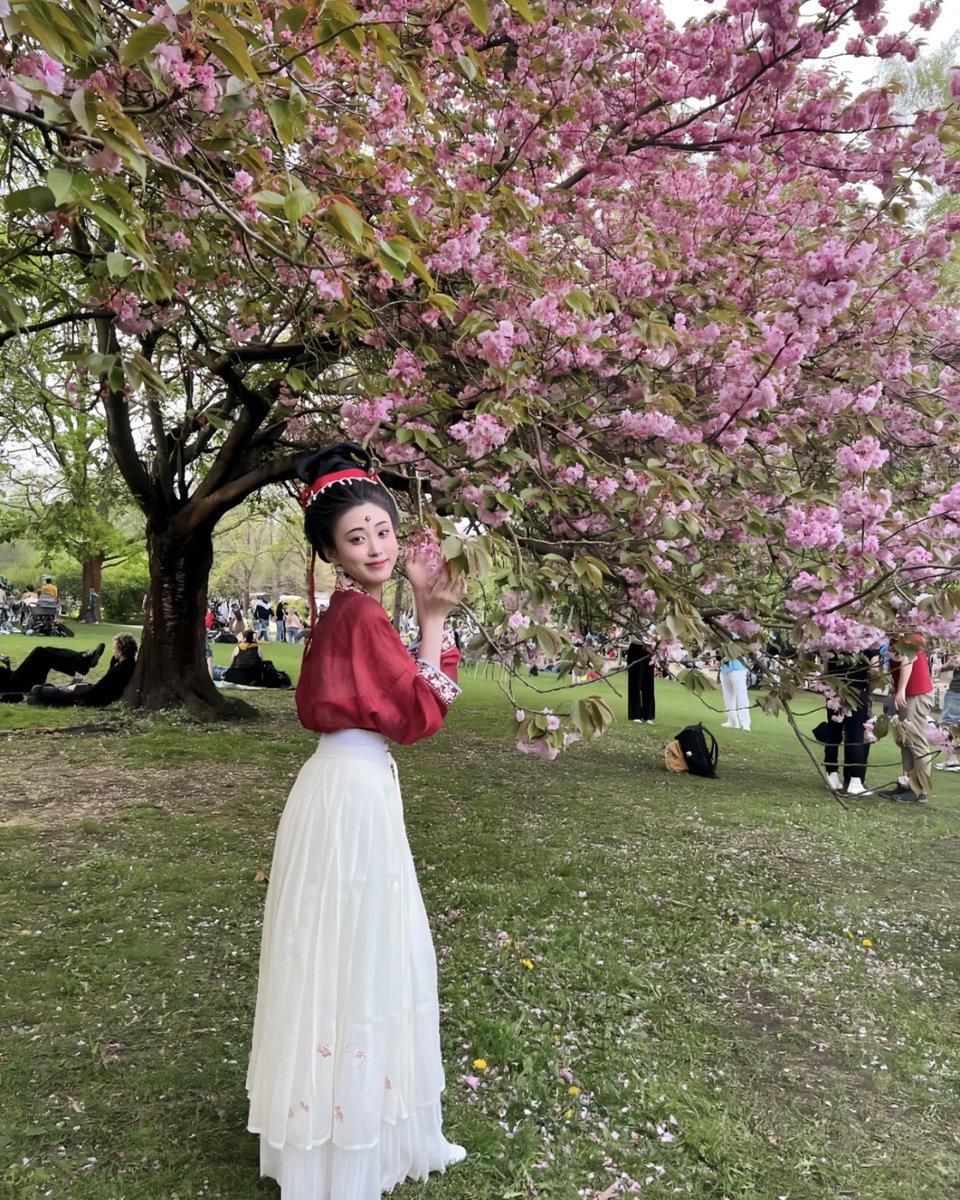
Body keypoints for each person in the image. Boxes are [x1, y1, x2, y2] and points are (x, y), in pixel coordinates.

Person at [246, 442, 467, 1200]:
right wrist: (434, 619)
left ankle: (339, 1123)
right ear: (333, 554)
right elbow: (415, 714)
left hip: (340, 784)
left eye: (382, 530)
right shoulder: (361, 617)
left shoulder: (351, 615)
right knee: (363, 948)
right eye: (356, 537)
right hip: (353, 788)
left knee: (338, 947)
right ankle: (347, 1137)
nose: (375, 546)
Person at [880, 631, 934, 804]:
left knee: (917, 743)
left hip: (915, 695)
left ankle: (919, 791)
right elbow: (896, 658)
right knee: (905, 742)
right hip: (907, 696)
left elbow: (908, 660)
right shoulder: (896, 638)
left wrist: (901, 689)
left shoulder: (912, 637)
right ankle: (907, 784)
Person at [819, 649, 880, 798]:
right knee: (855, 735)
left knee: (833, 731)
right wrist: (870, 693)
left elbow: (825, 670)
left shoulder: (833, 643)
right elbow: (874, 672)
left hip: (835, 690)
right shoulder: (869, 644)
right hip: (857, 691)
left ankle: (831, 773)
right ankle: (855, 780)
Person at [26, 635, 136, 707]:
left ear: (121, 650)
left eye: (114, 648)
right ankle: (45, 698)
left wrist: (76, 689)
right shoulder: (123, 664)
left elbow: (98, 689)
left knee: (36, 689)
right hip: (87, 694)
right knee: (40, 692)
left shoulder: (123, 667)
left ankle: (46, 698)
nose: (113, 651)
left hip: (84, 698)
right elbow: (102, 685)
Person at [0, 642, 105, 700]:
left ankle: (83, 658)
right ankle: (83, 662)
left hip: (15, 680)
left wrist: (7, 665)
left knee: (47, 651)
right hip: (16, 685)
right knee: (39, 652)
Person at [626, 638, 655, 723]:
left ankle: (647, 715)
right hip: (636, 646)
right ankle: (635, 714)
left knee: (648, 684)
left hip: (650, 648)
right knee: (635, 683)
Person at [719, 654, 751, 731]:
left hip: (738, 666)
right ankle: (732, 720)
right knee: (728, 696)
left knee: (741, 695)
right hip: (725, 667)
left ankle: (745, 723)